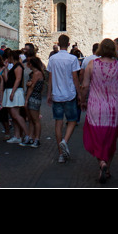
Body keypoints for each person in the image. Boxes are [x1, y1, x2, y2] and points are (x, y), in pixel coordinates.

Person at [81, 38, 118, 184]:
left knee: (96, 136)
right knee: (111, 137)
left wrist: (82, 100)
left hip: (96, 106)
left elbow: (85, 86)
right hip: (114, 107)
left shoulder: (92, 65)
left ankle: (101, 162)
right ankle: (107, 167)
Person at [47, 34, 82, 163]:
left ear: (58, 43)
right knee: (72, 120)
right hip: (69, 94)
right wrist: (79, 94)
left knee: (58, 122)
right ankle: (65, 140)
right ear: (68, 44)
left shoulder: (52, 59)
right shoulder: (72, 59)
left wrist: (49, 93)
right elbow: (75, 78)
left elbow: (50, 78)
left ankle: (61, 154)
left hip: (57, 95)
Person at [1, 49, 29, 144]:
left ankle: (27, 134)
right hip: (11, 90)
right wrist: (5, 69)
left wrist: (13, 92)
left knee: (15, 115)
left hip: (14, 91)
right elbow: (6, 79)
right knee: (14, 116)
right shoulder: (14, 66)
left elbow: (18, 79)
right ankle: (17, 136)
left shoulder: (18, 66)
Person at [23, 56, 45, 148]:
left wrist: (27, 99)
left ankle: (36, 139)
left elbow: (31, 86)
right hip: (36, 97)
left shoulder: (36, 74)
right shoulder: (37, 73)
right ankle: (32, 137)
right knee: (32, 119)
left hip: (33, 97)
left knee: (35, 120)